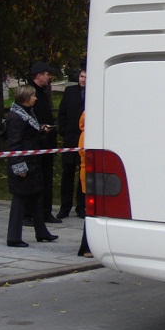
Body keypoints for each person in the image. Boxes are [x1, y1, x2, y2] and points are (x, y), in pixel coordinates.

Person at [4, 84, 58, 247]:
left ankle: (41, 232)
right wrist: (19, 168)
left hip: (33, 162)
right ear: (26, 98)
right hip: (23, 164)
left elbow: (29, 134)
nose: (36, 98)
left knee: (36, 197)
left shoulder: (28, 113)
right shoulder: (15, 118)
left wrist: (40, 130)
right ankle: (13, 237)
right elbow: (15, 145)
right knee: (20, 200)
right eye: (33, 96)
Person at [29, 60, 62, 224]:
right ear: (39, 75)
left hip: (47, 142)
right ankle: (31, 213)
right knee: (35, 179)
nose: (49, 77)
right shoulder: (30, 92)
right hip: (35, 143)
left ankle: (45, 211)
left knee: (47, 178)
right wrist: (40, 128)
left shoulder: (44, 92)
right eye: (47, 74)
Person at [57, 65, 86, 219]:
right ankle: (65, 207)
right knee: (67, 174)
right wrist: (63, 130)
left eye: (87, 77)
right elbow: (62, 112)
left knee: (83, 173)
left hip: (85, 139)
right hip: (70, 138)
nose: (83, 80)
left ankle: (81, 206)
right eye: (82, 77)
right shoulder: (70, 92)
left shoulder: (94, 93)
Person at [76, 111, 92, 259]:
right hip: (88, 175)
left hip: (88, 174)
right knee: (91, 211)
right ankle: (86, 246)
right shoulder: (86, 135)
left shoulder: (85, 134)